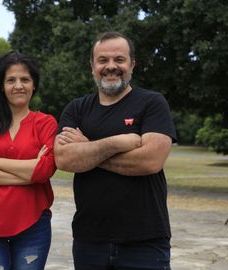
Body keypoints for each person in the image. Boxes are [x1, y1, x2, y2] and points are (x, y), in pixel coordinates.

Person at [54, 31, 177, 269]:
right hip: (89, 240)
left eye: (119, 60)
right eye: (103, 60)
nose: (111, 66)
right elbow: (63, 158)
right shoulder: (76, 109)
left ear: (132, 65)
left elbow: (150, 161)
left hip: (145, 241)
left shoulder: (152, 103)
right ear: (92, 66)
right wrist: (119, 143)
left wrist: (87, 148)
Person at [0, 51, 57, 270]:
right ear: (1, 86)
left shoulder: (45, 123)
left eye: (25, 79)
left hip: (33, 225)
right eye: (11, 80)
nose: (18, 86)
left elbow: (45, 170)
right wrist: (29, 175)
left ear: (34, 85)